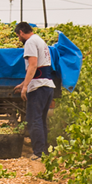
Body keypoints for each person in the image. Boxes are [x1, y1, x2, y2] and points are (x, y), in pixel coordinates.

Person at [13, 22, 55, 161]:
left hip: (38, 87)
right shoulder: (40, 40)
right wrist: (23, 83)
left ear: (22, 32)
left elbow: (33, 65)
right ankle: (43, 151)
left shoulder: (30, 42)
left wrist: (25, 87)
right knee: (41, 119)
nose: (19, 39)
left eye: (18, 35)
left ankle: (38, 153)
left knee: (33, 119)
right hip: (47, 85)